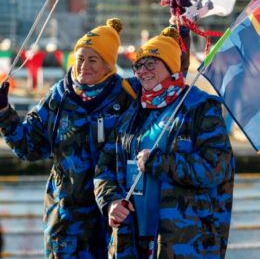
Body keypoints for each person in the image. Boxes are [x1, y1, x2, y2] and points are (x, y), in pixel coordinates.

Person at [0, 18, 138, 258]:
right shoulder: (59, 97)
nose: (84, 66)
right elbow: (28, 147)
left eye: (93, 60)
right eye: (80, 59)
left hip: (110, 218)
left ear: (108, 65)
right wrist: (3, 113)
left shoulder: (126, 97)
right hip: (65, 221)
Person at [94, 26, 235, 258]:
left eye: (151, 63)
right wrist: (111, 201)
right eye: (139, 65)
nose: (143, 71)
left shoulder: (199, 108)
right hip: (131, 240)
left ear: (171, 66)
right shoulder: (133, 112)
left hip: (183, 241)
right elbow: (105, 166)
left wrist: (160, 162)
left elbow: (216, 168)